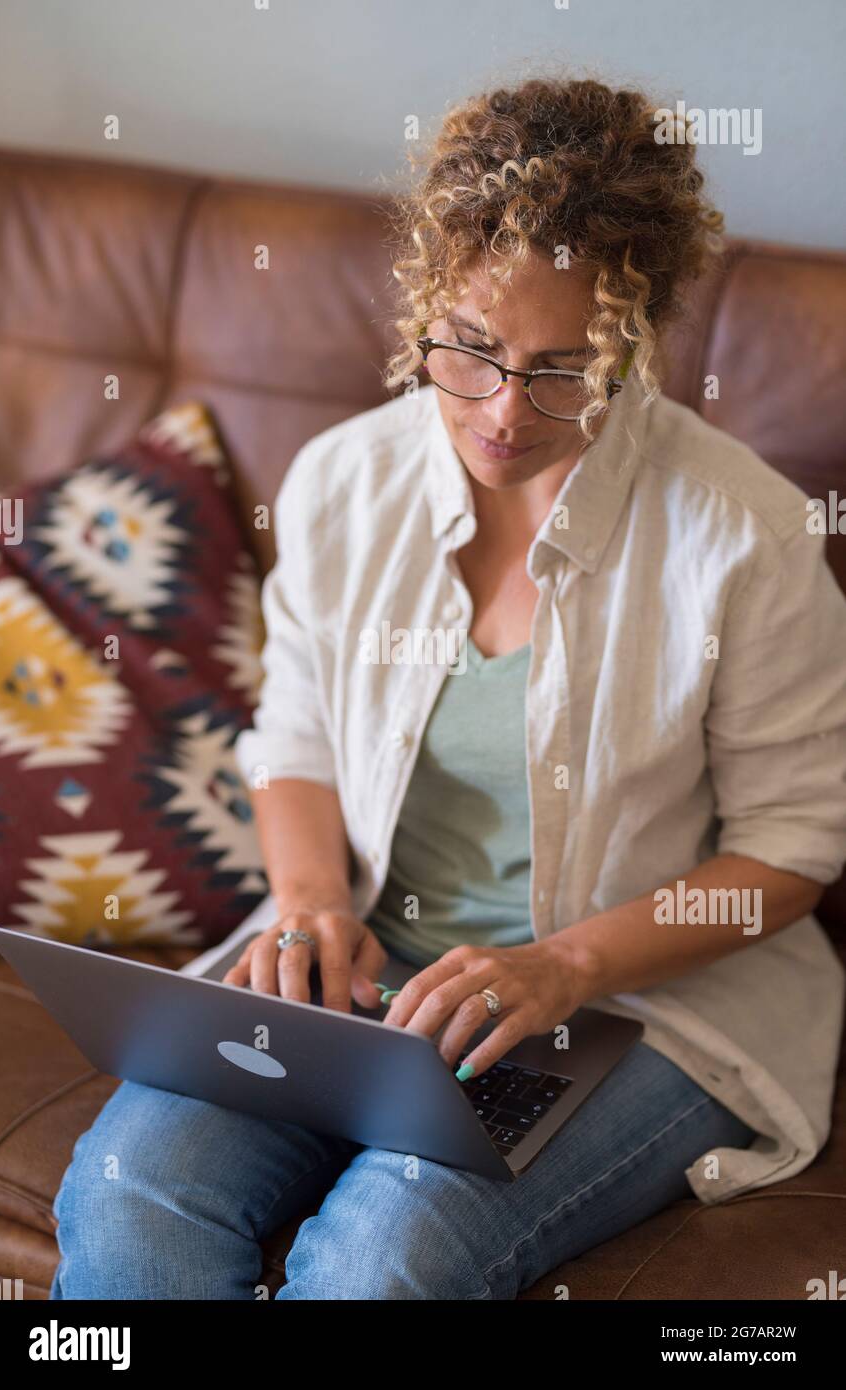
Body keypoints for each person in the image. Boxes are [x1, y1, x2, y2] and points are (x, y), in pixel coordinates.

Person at [50, 73, 846, 1301]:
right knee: (126, 1203)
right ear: (430, 300)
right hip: (363, 980)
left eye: (564, 366)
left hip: (630, 1002)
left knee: (381, 1264)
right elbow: (297, 739)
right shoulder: (338, 482)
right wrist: (311, 906)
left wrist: (564, 967)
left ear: (636, 335)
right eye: (470, 349)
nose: (501, 413)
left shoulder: (745, 535)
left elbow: (794, 846)